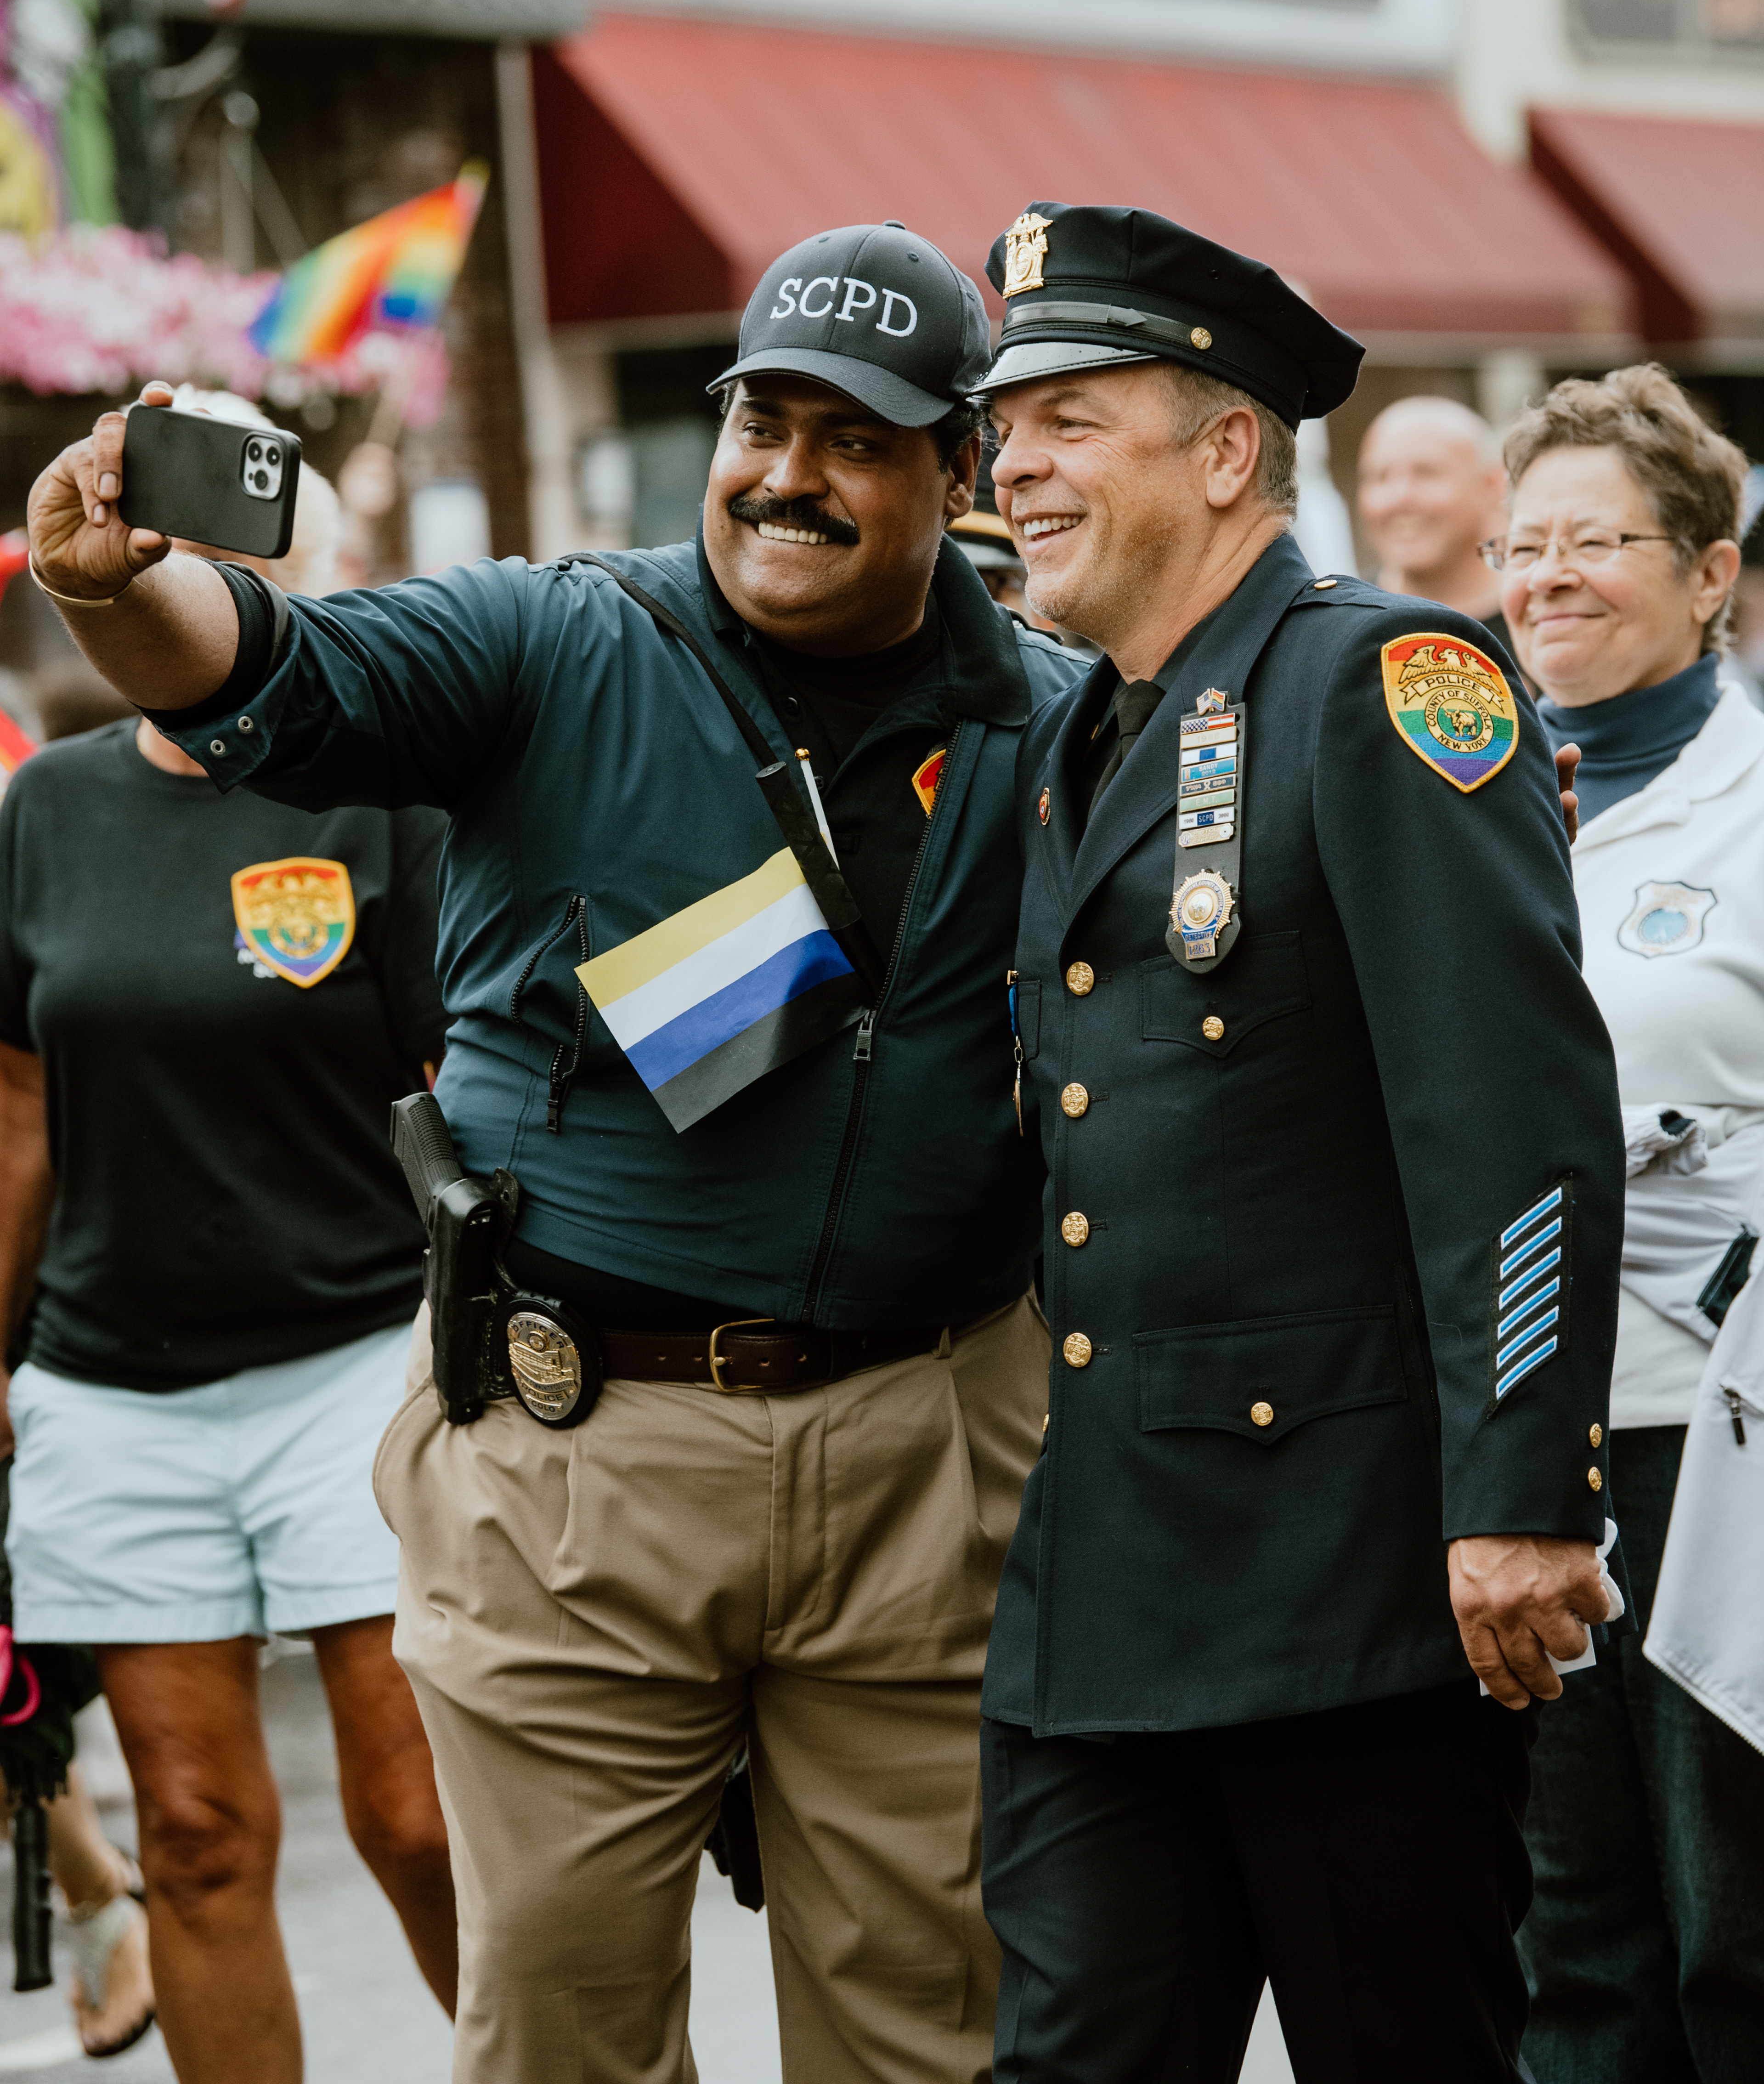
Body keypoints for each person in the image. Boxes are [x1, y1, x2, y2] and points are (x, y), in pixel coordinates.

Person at [23, 222, 1083, 2084]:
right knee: (565, 2025)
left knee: (928, 2025)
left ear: (960, 471)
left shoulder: (1068, 722)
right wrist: (124, 594)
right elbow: (269, 670)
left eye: (858, 440)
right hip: (582, 1446)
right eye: (766, 422)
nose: (792, 478)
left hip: (935, 1450)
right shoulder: (555, 638)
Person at [976, 200, 1625, 2083]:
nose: (1011, 463)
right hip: (1103, 1591)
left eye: (1068, 419)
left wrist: (1520, 1495)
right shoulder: (1077, 728)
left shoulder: (1383, 681)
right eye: (1005, 428)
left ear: (1230, 447)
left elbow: (1512, 1119)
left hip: (1348, 1591)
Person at [0, 427, 458, 2084]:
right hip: (115, 1387)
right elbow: (16, 1112)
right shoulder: (45, 810)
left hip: (360, 1357)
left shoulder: (388, 800)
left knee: (419, 1821)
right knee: (189, 1832)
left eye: (245, 567)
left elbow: (463, 1084)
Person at [1490, 362, 1764, 2083]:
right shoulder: (1461, 791)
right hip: (1516, 1443)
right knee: (1564, 1925)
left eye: (1597, 539)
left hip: (1724, 1437)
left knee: (1736, 1919)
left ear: (1713, 573)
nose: (1548, 578)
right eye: (1524, 545)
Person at [1358, 394, 1514, 655]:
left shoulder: (1544, 618)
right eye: (1380, 477)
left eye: (1427, 472)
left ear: (1492, 485)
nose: (1399, 497)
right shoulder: (1342, 625)